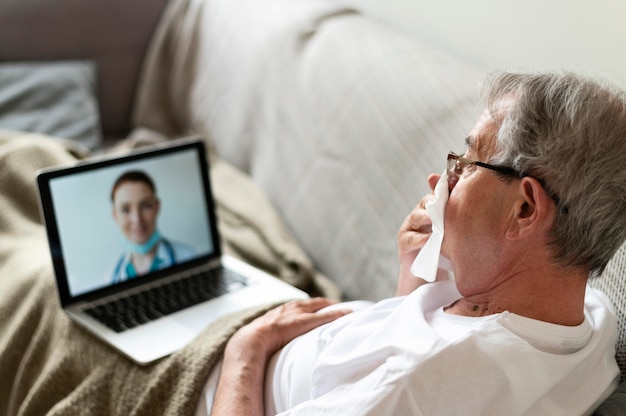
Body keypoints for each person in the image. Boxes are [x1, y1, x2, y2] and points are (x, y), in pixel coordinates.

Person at [202, 72, 626, 415]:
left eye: (465, 164)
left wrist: (247, 350)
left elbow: (419, 378)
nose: (439, 182)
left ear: (525, 210)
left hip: (212, 380)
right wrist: (413, 272)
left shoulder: (417, 386)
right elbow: (407, 345)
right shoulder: (586, 317)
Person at [110, 170, 196, 283]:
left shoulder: (190, 257)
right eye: (125, 210)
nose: (137, 219)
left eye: (146, 206)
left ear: (157, 207)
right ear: (115, 216)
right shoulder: (111, 277)